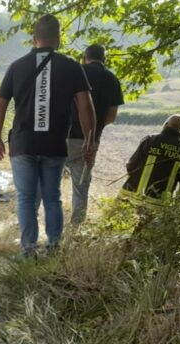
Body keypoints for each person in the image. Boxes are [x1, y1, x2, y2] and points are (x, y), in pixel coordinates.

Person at [0, 14, 96, 257]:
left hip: (23, 144)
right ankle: (54, 247)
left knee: (26, 198)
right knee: (52, 197)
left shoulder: (17, 66)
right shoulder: (71, 66)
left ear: (35, 39)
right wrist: (89, 140)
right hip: (55, 144)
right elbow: (85, 106)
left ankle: (28, 250)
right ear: (58, 39)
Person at [65, 44, 125, 224]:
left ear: (85, 58)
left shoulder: (75, 73)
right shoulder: (113, 80)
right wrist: (94, 127)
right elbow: (111, 116)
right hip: (89, 142)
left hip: (61, 137)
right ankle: (76, 228)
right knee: (81, 188)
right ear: (104, 59)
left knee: (46, 181)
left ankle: (35, 223)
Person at [120, 114, 180, 208]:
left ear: (166, 124)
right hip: (159, 204)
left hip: (130, 195)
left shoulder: (150, 140)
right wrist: (178, 206)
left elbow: (131, 165)